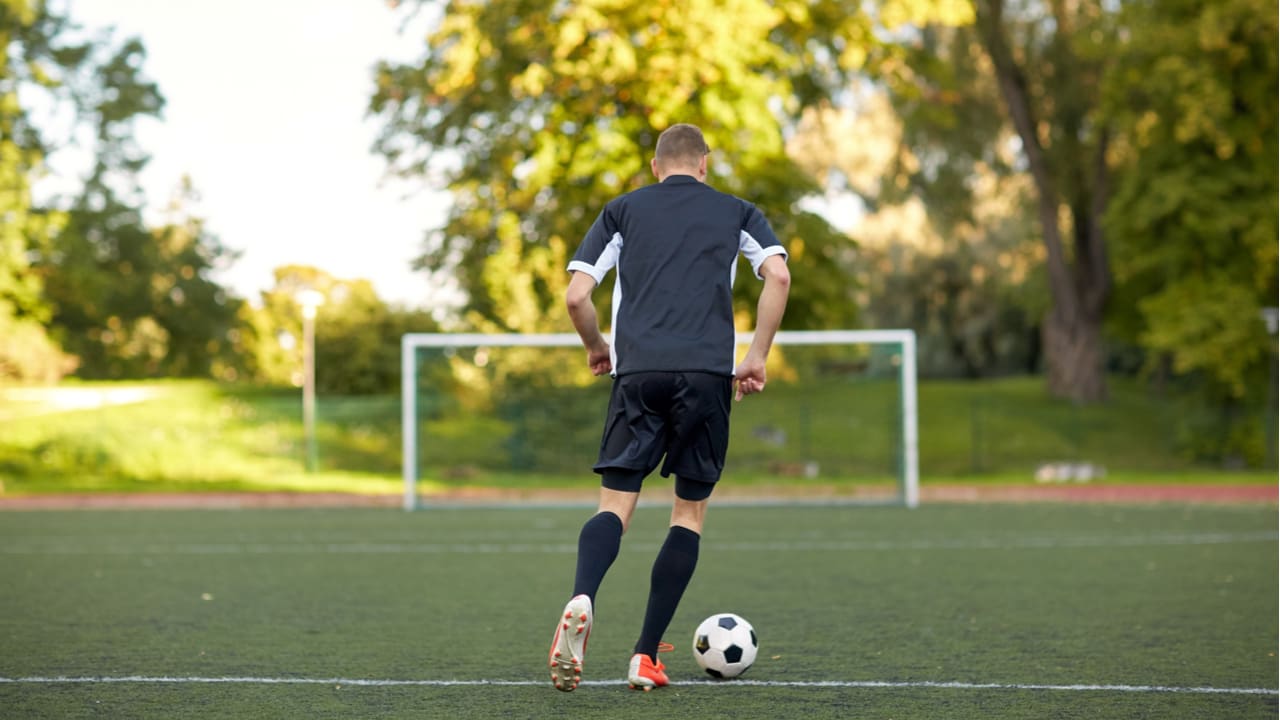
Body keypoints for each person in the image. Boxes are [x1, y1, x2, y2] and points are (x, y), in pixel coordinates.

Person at [547, 123, 791, 692]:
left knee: (615, 504)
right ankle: (643, 657)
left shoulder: (621, 211)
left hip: (639, 373)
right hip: (707, 375)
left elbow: (576, 294)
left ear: (656, 166)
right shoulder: (738, 211)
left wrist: (596, 347)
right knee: (687, 514)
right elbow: (777, 274)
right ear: (703, 163)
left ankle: (582, 596)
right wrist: (755, 356)